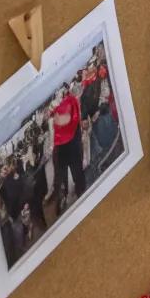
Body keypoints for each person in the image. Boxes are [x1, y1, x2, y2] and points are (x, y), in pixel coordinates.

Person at [50, 82, 85, 212]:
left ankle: (68, 196)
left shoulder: (66, 108)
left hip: (66, 149)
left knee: (68, 176)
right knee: (72, 174)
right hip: (69, 149)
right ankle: (77, 193)